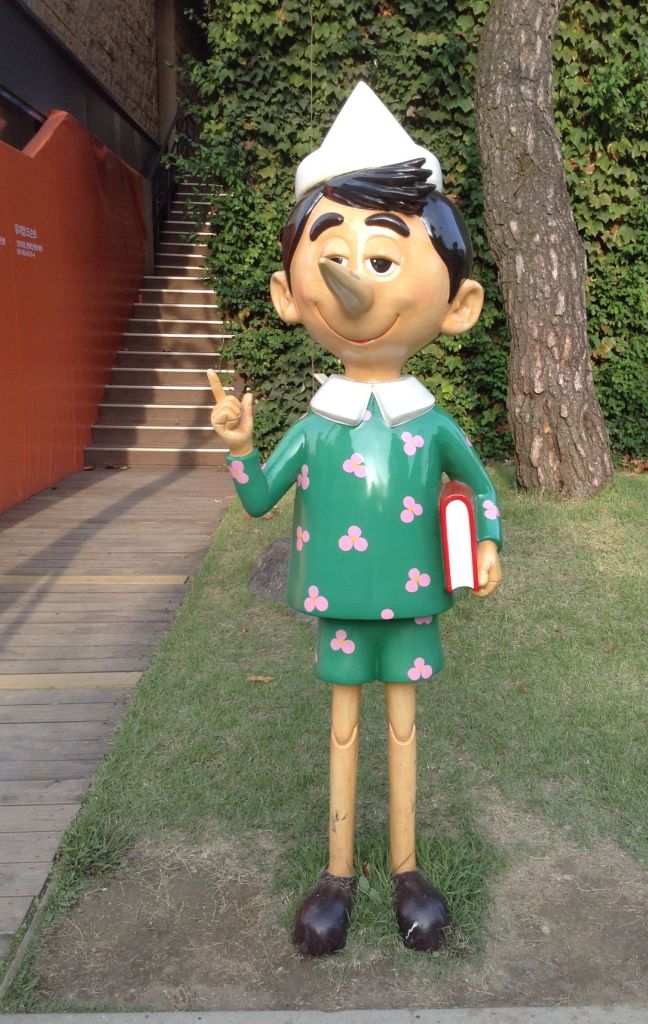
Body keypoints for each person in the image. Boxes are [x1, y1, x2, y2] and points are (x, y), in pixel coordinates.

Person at [208, 82, 502, 956]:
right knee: (345, 725)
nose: (353, 282)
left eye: (384, 259)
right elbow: (259, 497)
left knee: (401, 723)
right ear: (288, 293)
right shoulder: (317, 424)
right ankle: (336, 873)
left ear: (457, 305)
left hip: (411, 597)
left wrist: (487, 542)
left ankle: (406, 867)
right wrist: (240, 448)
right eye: (335, 255)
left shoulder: (429, 422)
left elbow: (480, 485)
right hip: (339, 599)